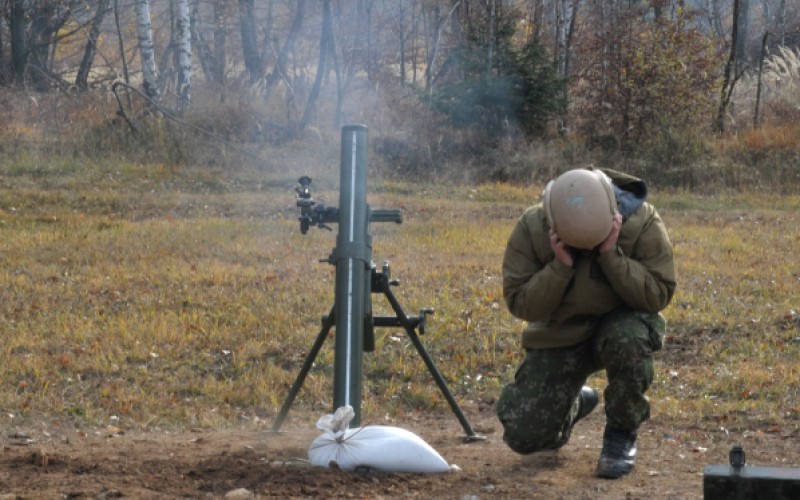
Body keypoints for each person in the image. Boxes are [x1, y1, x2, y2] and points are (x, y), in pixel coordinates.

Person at [496, 167, 677, 479]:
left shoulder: (642, 220)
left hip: (621, 325)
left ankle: (621, 435)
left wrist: (611, 256)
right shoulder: (532, 226)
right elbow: (521, 303)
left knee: (627, 339)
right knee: (525, 436)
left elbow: (658, 294)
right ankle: (576, 403)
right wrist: (560, 267)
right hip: (562, 335)